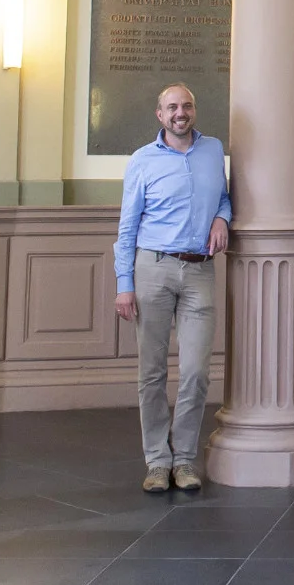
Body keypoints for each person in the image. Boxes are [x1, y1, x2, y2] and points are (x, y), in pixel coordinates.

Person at [113, 83, 231, 494]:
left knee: (197, 373)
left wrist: (223, 218)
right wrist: (124, 285)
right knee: (152, 372)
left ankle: (184, 459)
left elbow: (224, 197)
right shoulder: (142, 161)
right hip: (153, 269)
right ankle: (157, 461)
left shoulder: (213, 149)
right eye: (172, 107)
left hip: (200, 272)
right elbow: (127, 229)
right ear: (160, 115)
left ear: (194, 110)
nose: (181, 112)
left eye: (187, 105)